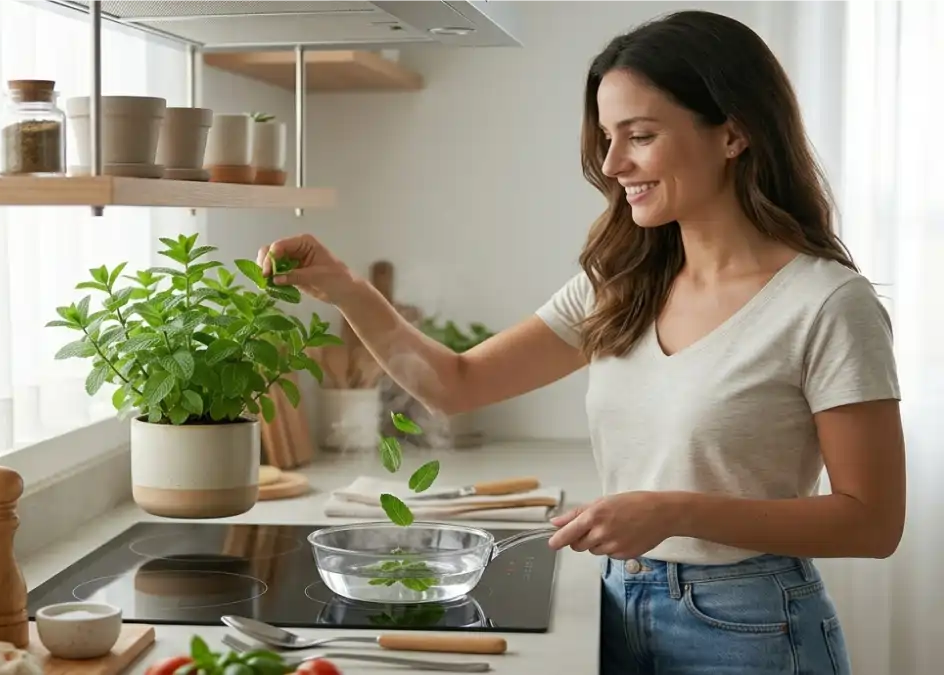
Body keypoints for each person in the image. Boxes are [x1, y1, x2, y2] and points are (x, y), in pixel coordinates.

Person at [256, 9, 904, 675]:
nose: (613, 162)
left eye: (641, 135)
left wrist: (675, 510)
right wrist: (342, 287)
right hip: (620, 602)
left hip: (753, 627)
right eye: (606, 137)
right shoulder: (618, 286)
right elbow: (457, 383)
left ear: (733, 133)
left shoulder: (826, 303)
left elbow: (872, 521)